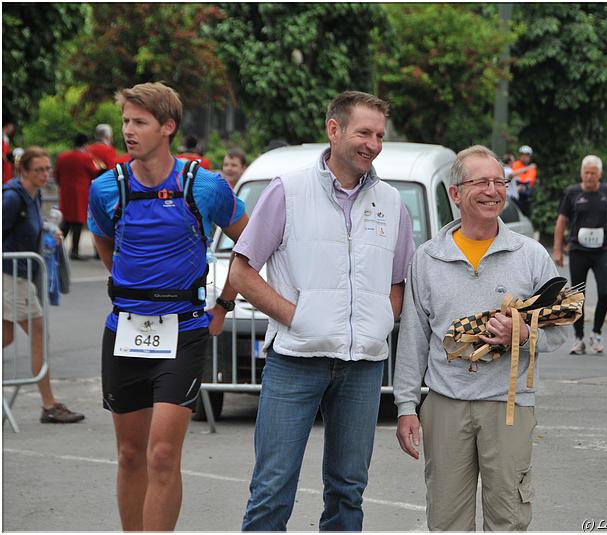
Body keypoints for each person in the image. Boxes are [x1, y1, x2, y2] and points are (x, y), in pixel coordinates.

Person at [232, 90, 415, 531]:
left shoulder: (392, 203)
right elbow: (241, 272)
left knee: (348, 491)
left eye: (379, 135)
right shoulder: (287, 191)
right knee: (272, 489)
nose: (373, 144)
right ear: (334, 130)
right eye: (364, 133)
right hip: (295, 360)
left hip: (363, 367)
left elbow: (398, 283)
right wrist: (296, 317)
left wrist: (379, 323)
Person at [88, 82, 248, 531]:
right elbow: (107, 246)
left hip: (183, 330)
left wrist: (224, 303)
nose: (128, 131)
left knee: (161, 454)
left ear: (168, 127)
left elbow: (250, 241)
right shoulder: (106, 188)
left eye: (140, 122)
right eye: (125, 121)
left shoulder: (205, 186)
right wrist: (132, 285)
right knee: (129, 454)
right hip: (125, 329)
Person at [393, 145, 570, 531]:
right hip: (445, 404)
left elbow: (563, 330)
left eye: (499, 182)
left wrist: (523, 333)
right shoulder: (427, 258)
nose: (493, 191)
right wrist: (406, 405)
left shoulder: (531, 255)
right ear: (455, 194)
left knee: (508, 519)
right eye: (482, 182)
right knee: (446, 521)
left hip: (508, 406)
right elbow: (413, 338)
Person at [3, 146, 85, 423]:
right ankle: (49, 404)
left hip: (21, 273)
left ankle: (49, 404)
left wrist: (49, 232)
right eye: (38, 170)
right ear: (23, 171)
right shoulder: (12, 197)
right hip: (12, 275)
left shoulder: (33, 195)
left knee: (7, 337)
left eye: (47, 169)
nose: (44, 174)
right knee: (39, 333)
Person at [553, 154, 607, 354]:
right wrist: (558, 249)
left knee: (605, 293)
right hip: (578, 251)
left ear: (600, 174)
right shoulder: (572, 193)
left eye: (593, 173)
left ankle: (597, 332)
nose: (590, 176)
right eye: (586, 173)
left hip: (601, 250)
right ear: (581, 173)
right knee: (578, 296)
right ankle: (579, 338)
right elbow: (561, 221)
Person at [55, 133, 99, 260]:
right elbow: (94, 173)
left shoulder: (62, 157)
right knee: (78, 221)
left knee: (67, 220)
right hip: (80, 192)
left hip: (65, 192)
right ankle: (74, 250)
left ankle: (55, 246)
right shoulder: (86, 157)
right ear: (85, 144)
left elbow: (57, 175)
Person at [511, 144, 537, 215]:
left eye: (527, 155)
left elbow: (529, 181)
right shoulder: (515, 164)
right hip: (515, 196)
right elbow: (512, 176)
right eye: (522, 154)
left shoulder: (532, 168)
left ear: (530, 157)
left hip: (526, 197)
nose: (524, 157)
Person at [3, 117, 15, 183]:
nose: (13, 127)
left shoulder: (6, 139)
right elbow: (5, 156)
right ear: (7, 125)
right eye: (12, 125)